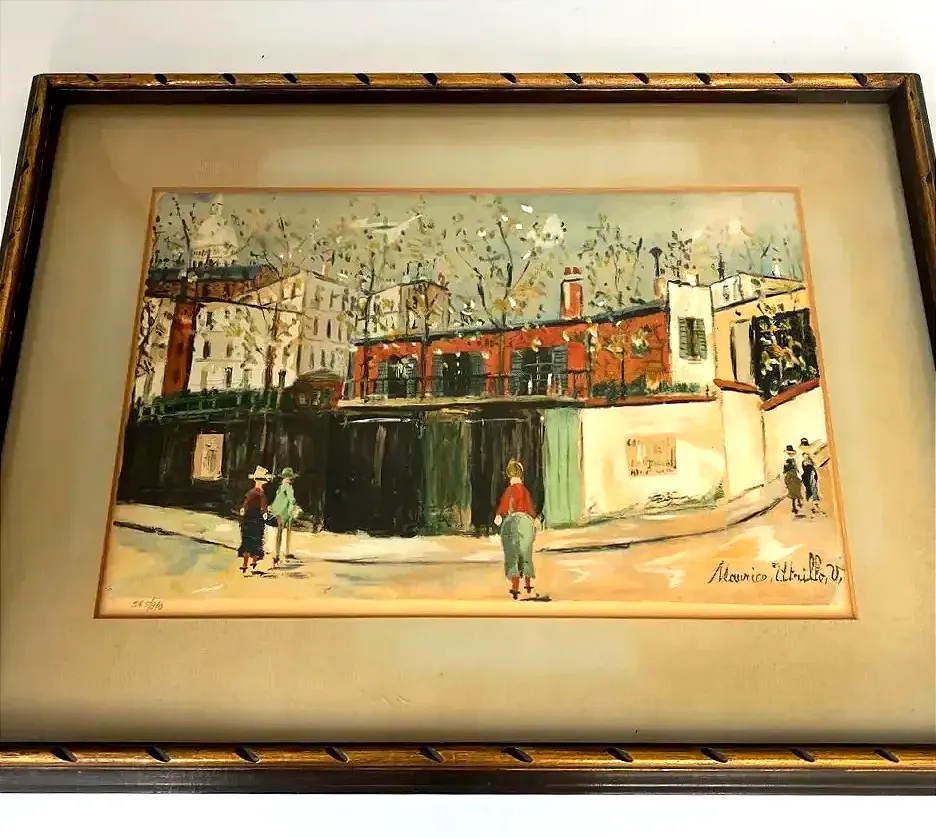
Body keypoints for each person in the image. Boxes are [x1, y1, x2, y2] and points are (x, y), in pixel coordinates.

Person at [494, 459, 538, 600]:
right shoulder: (525, 491)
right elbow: (530, 507)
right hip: (525, 521)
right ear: (521, 474)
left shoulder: (509, 491)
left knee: (512, 553)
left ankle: (515, 586)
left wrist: (499, 515)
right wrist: (534, 518)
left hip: (511, 521)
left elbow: (504, 505)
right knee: (526, 553)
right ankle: (528, 584)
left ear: (509, 475)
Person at [238, 466, 271, 574]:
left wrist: (244, 509)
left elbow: (248, 503)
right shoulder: (258, 493)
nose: (260, 483)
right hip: (254, 518)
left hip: (252, 518)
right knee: (253, 540)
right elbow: (250, 503)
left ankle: (250, 562)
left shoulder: (254, 492)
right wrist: (264, 513)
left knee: (251, 540)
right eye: (259, 481)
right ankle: (248, 562)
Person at [269, 467, 302, 565]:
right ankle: (279, 554)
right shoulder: (288, 487)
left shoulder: (281, 486)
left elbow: (278, 499)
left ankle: (281, 553)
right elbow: (291, 499)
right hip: (285, 511)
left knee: (282, 531)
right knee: (283, 531)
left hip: (280, 510)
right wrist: (294, 508)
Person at [799, 437, 821, 514]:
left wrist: (813, 469)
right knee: (808, 486)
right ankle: (812, 503)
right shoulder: (802, 457)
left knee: (813, 485)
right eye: (803, 447)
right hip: (806, 473)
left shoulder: (810, 455)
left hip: (811, 471)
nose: (804, 448)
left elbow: (815, 464)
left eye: (805, 447)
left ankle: (815, 502)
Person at [782, 445, 803, 516]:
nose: (790, 454)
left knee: (797, 487)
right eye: (789, 453)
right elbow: (784, 470)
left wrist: (798, 472)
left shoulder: (793, 460)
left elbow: (796, 467)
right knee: (792, 490)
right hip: (789, 475)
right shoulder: (786, 460)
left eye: (791, 453)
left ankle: (798, 502)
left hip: (793, 474)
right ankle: (794, 505)